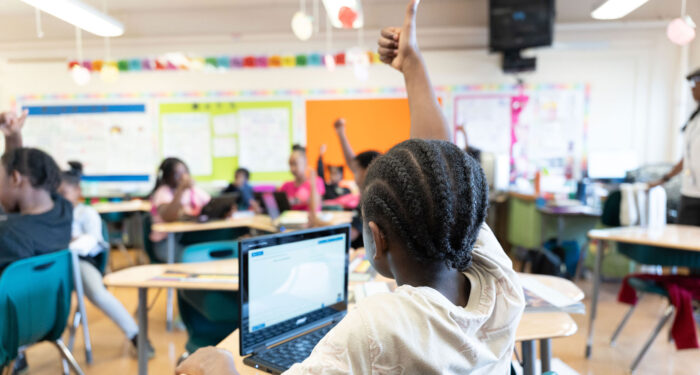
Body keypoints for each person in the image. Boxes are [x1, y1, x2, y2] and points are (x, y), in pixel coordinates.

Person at [175, 1, 525, 374]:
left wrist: (222, 367)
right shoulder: (500, 282)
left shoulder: (380, 325)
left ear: (376, 236)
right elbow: (443, 167)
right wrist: (412, 64)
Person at [0, 110, 73, 374]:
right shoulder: (63, 211)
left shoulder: (9, 235)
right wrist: (13, 137)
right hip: (43, 322)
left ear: (16, 178)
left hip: (5, 333)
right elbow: (15, 179)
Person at [58, 161, 155, 358]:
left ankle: (136, 335)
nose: (60, 200)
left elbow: (92, 240)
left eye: (64, 194)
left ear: (77, 191)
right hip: (57, 264)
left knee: (97, 292)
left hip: (83, 262)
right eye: (55, 195)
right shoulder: (52, 214)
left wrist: (71, 242)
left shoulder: (85, 212)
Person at [651, 69, 700, 226]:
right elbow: (688, 157)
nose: (692, 88)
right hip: (690, 193)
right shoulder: (694, 119)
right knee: (682, 242)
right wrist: (664, 178)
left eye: (695, 83)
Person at [150, 158, 211, 262]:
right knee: (193, 258)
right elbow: (169, 217)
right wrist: (180, 190)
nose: (183, 177)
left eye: (185, 172)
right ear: (167, 177)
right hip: (168, 243)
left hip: (190, 239)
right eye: (177, 174)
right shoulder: (162, 193)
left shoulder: (193, 190)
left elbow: (211, 205)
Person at [280, 145, 325, 210]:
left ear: (305, 163)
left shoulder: (316, 182)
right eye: (290, 164)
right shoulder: (286, 185)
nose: (292, 168)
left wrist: (312, 185)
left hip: (309, 219)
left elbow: (315, 206)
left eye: (295, 164)